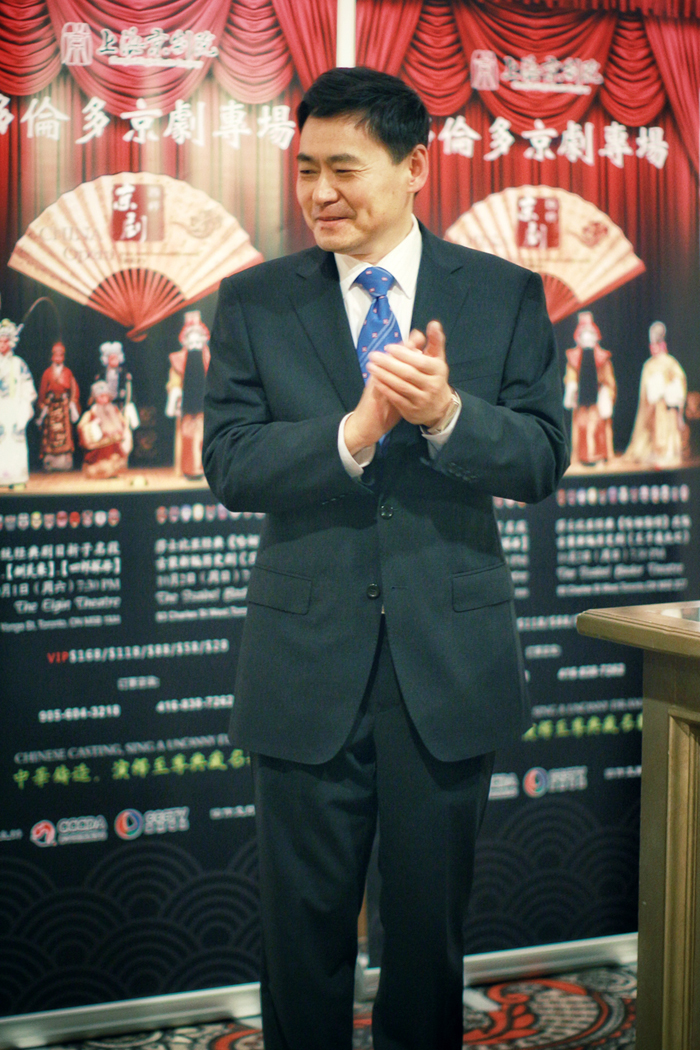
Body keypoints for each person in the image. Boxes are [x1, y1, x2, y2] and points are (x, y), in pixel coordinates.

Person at [203, 67, 568, 1050]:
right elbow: (229, 463)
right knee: (301, 940)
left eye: (344, 169)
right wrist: (355, 431)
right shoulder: (256, 301)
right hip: (303, 668)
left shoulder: (500, 295)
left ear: (415, 167)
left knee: (425, 943)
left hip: (446, 671)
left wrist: (446, 414)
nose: (319, 193)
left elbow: (541, 457)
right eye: (305, 170)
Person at [624, 320, 687, 468]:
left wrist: (669, 391)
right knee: (655, 429)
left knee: (667, 429)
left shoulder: (670, 362)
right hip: (654, 407)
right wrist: (653, 393)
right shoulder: (649, 365)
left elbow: (679, 379)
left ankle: (668, 453)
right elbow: (645, 391)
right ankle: (656, 452)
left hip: (667, 406)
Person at [563, 310, 616, 467]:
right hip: (581, 400)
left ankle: (599, 456)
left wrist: (606, 392)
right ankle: (582, 457)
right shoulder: (574, 358)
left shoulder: (602, 358)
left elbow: (608, 379)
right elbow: (571, 376)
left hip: (596, 400)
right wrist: (571, 386)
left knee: (597, 426)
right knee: (581, 425)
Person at [165, 310, 211, 479]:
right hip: (186, 406)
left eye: (198, 340)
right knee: (187, 435)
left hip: (205, 406)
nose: (194, 344)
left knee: (204, 436)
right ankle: (187, 468)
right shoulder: (179, 360)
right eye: (191, 340)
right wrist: (175, 395)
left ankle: (205, 468)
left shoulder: (209, 358)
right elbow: (175, 381)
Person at [0, 317, 37, 489]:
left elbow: (28, 388)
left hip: (14, 407)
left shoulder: (19, 364)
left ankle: (17, 478)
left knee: (16, 442)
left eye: (5, 341)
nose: (2, 345)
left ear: (11, 342)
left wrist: (24, 410)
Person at [36, 340, 81, 470]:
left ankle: (65, 460)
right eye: (56, 355)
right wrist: (42, 406)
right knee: (50, 433)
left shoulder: (68, 372)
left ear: (63, 357)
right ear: (52, 357)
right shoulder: (47, 373)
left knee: (65, 433)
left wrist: (73, 403)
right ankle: (50, 460)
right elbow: (42, 391)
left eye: (60, 355)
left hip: (64, 407)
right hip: (51, 407)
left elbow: (74, 389)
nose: (58, 358)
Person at [77, 380, 130, 479]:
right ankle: (101, 472)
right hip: (100, 445)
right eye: (101, 396)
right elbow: (82, 427)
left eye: (106, 396)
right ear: (95, 398)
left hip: (115, 443)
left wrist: (120, 430)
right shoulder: (91, 413)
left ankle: (115, 471)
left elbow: (123, 424)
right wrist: (93, 426)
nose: (104, 399)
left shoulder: (114, 410)